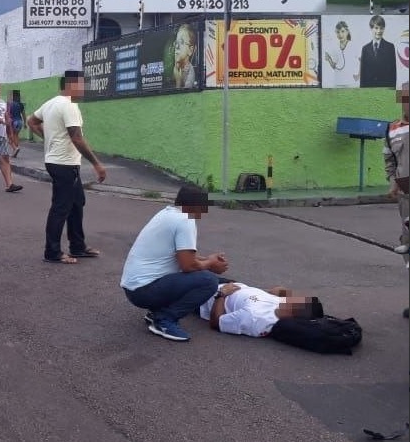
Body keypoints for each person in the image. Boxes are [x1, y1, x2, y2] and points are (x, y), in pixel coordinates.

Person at [120, 185, 229, 341]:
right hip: (144, 291)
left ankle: (156, 312)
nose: (204, 211)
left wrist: (208, 259)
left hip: (135, 288)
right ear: (194, 205)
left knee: (199, 275)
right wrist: (211, 264)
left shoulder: (167, 213)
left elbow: (182, 255)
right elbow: (188, 265)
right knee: (209, 281)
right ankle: (164, 319)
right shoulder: (185, 220)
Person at [27, 70, 106, 264]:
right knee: (61, 207)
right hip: (64, 164)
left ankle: (77, 246)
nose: (84, 90)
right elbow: (76, 138)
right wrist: (96, 164)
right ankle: (52, 252)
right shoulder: (69, 105)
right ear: (72, 85)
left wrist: (49, 138)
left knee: (77, 203)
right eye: (82, 85)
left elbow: (31, 121)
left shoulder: (51, 103)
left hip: (59, 162)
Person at [198, 282, 324, 337]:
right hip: (230, 285)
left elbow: (216, 323)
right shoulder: (282, 303)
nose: (295, 296)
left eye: (298, 299)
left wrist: (221, 294)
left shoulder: (256, 319)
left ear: (294, 309)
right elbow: (276, 290)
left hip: (207, 295)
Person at [383, 81, 409, 318]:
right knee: (408, 244)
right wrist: (392, 181)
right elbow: (390, 160)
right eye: (405, 98)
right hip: (406, 196)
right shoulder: (392, 129)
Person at [358, 15, 397, 88]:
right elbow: (363, 73)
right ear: (371, 28)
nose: (379, 31)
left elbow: (393, 72)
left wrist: (392, 90)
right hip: (369, 89)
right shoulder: (365, 49)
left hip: (384, 89)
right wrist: (362, 91)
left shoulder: (390, 47)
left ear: (384, 29)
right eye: (376, 28)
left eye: (381, 28)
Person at [323, 20, 360, 87]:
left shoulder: (353, 45)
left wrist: (358, 75)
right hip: (337, 82)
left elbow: (363, 61)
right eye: (338, 32)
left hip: (350, 82)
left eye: (342, 31)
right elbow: (335, 66)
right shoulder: (335, 47)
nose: (340, 34)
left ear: (347, 32)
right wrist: (329, 59)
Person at [172, 23, 197, 89]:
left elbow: (184, 93)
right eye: (176, 42)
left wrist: (178, 81)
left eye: (181, 42)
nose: (176, 46)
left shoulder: (190, 74)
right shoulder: (176, 68)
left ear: (190, 50)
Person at [7, 89, 27, 157]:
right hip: (20, 122)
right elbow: (24, 115)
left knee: (10, 136)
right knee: (16, 136)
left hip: (13, 122)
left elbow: (8, 114)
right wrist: (25, 123)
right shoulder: (21, 104)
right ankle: (16, 150)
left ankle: (15, 148)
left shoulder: (9, 104)